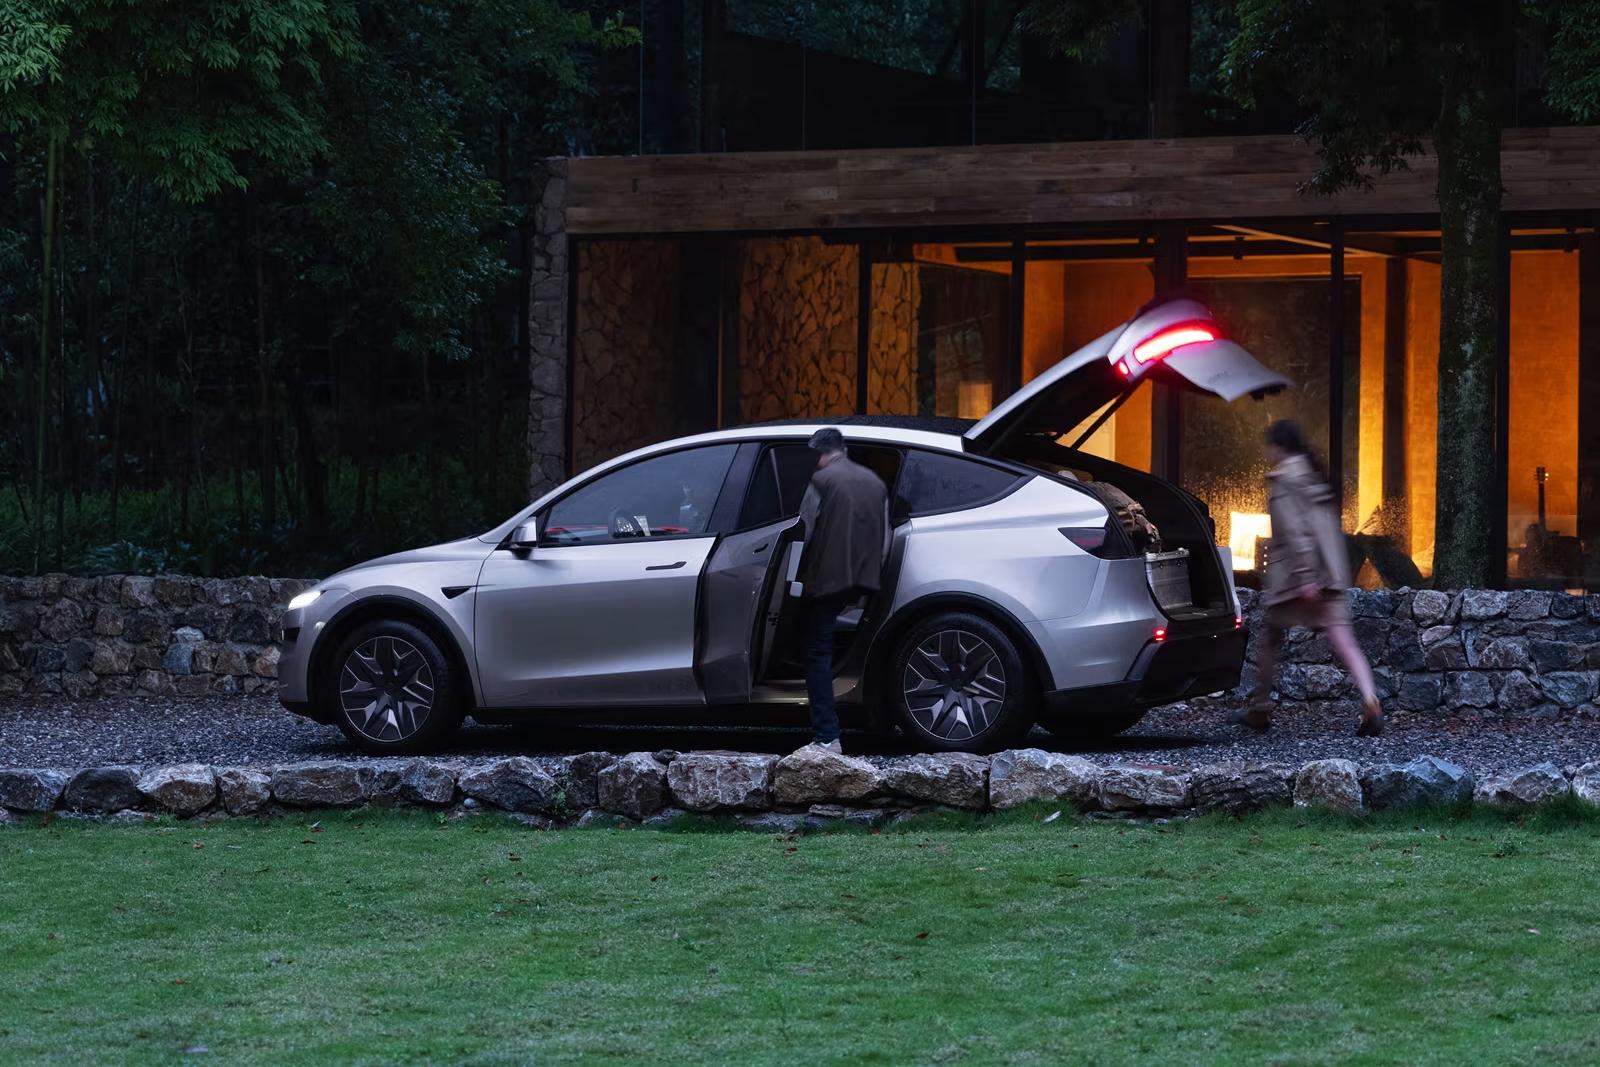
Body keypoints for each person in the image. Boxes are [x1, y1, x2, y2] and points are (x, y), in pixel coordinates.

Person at [1237, 419, 1386, 736]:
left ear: (1278, 446)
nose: (1268, 452)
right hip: (1330, 575)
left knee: (1269, 639)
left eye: (1269, 445)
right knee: (1346, 643)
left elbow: (1296, 532)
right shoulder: (1314, 476)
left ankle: (1260, 709)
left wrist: (1305, 577)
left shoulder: (1285, 480)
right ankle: (1370, 700)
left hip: (1297, 581)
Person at [795, 427, 890, 753]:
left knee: (817, 652)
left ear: (819, 454)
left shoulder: (821, 481)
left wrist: (793, 578)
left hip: (827, 580)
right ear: (843, 449)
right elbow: (885, 539)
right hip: (864, 579)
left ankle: (827, 735)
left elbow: (804, 531)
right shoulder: (875, 482)